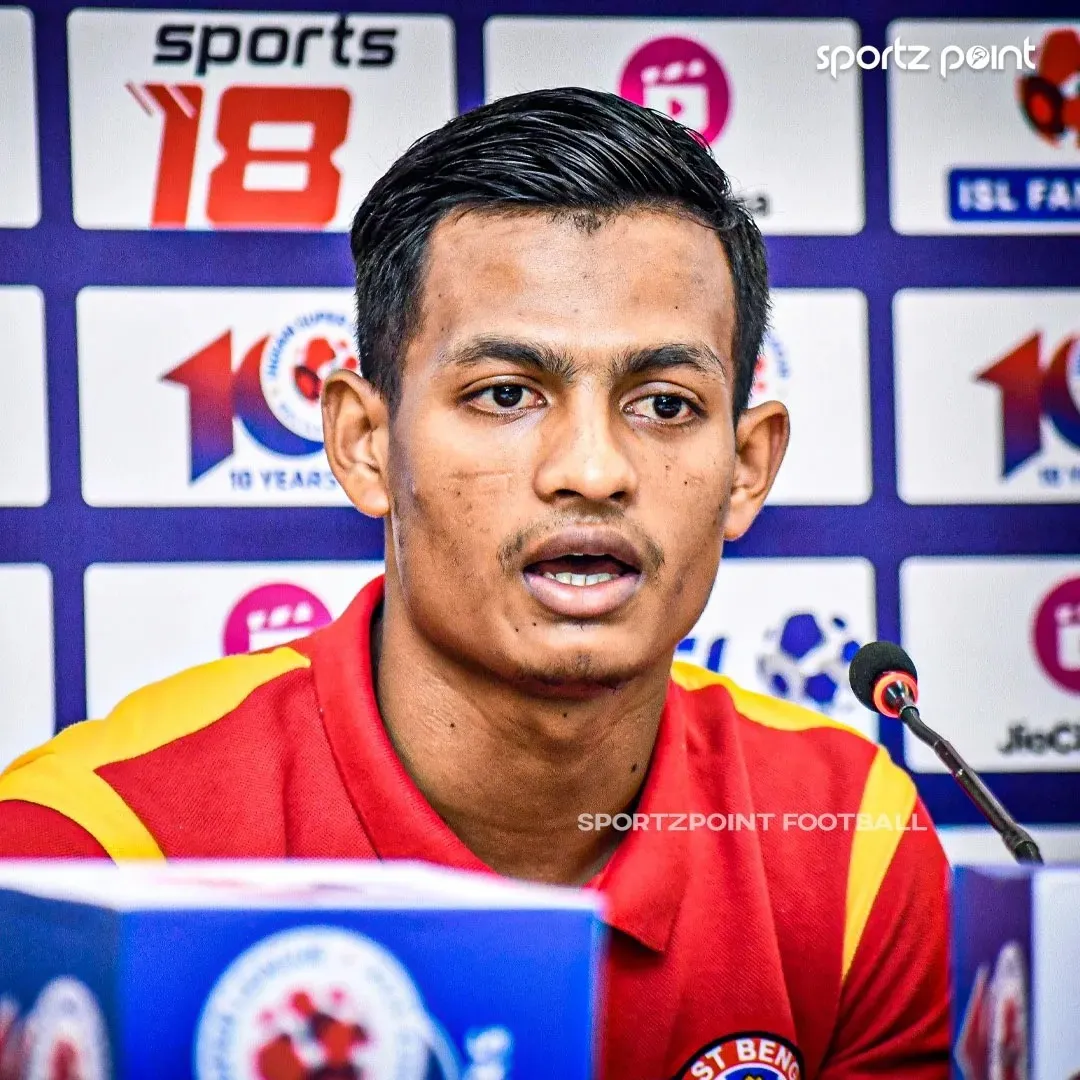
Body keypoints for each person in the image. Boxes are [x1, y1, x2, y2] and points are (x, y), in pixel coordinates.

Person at [0, 88, 948, 1078]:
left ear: (747, 467)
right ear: (365, 445)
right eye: (505, 395)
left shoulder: (847, 843)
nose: (591, 468)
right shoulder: (79, 861)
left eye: (664, 403)